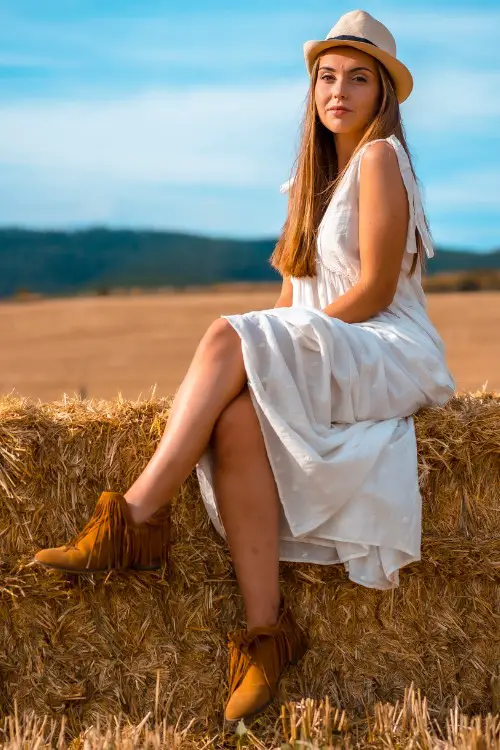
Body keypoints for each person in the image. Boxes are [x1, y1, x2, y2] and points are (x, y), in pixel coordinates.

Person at [33, 9, 455, 723]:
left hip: (384, 345)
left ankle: (137, 517)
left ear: (383, 94)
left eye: (358, 78)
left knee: (232, 335)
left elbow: (377, 289)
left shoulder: (381, 159)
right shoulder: (307, 186)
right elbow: (287, 302)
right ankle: (267, 635)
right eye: (327, 77)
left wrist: (282, 342)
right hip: (332, 348)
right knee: (233, 419)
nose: (338, 92)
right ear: (313, 90)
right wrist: (277, 346)